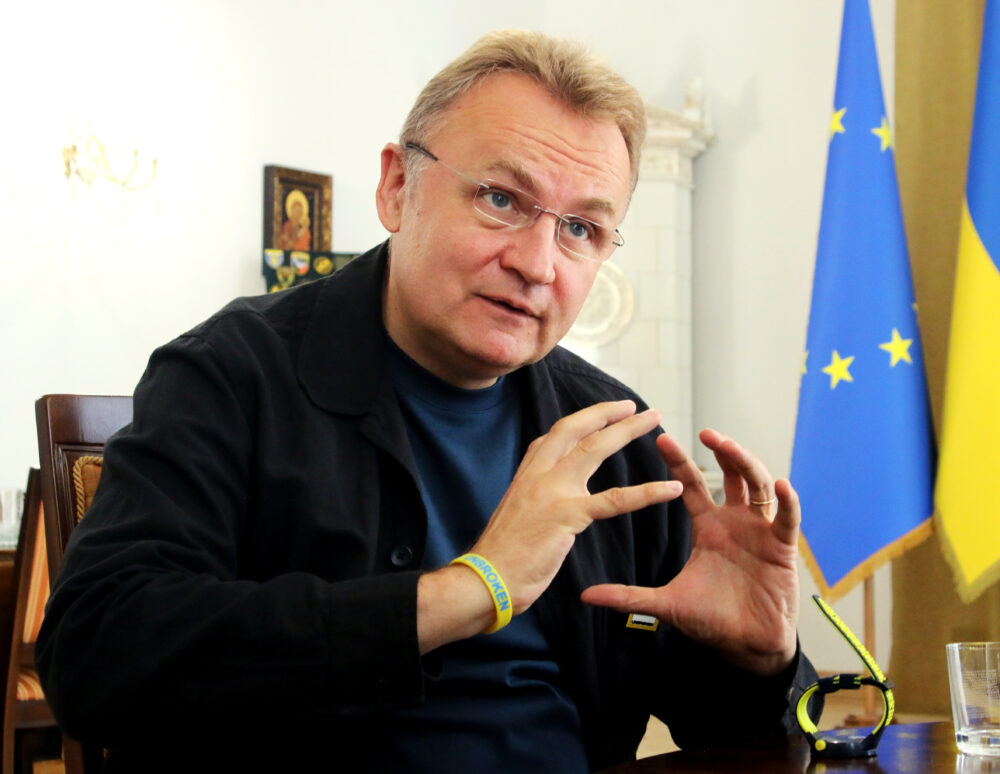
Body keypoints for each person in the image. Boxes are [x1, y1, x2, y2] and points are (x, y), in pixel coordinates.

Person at [37, 29, 818, 773]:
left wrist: (758, 660)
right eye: (501, 199)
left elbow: (728, 735)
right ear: (397, 187)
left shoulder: (610, 433)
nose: (538, 264)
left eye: (581, 228)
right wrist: (472, 589)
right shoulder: (231, 374)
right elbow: (97, 657)